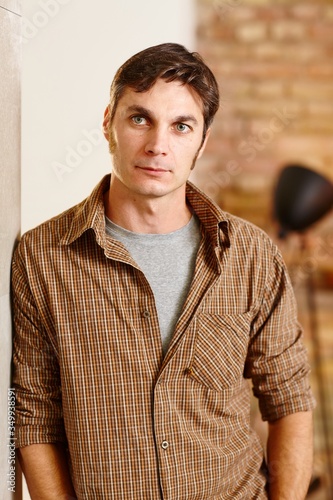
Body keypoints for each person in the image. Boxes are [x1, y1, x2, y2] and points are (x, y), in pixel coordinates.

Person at [12, 43, 315, 499]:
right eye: (140, 119)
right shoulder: (42, 258)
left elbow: (289, 400)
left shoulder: (250, 255)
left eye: (181, 126)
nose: (157, 145)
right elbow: (35, 417)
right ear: (108, 123)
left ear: (201, 141)